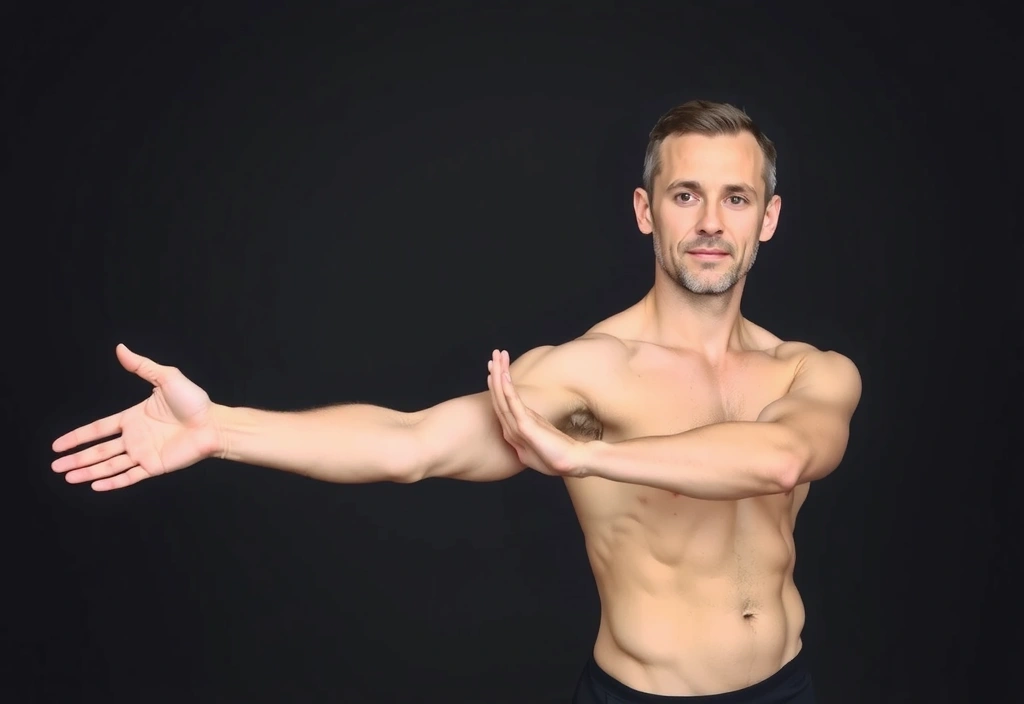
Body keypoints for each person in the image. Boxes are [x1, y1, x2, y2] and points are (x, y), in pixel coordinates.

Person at [51, 100, 862, 703]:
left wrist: (588, 457)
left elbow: (783, 458)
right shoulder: (586, 374)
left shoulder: (809, 373)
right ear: (646, 211)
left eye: (736, 198)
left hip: (787, 686)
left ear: (768, 218)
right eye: (686, 195)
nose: (712, 221)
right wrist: (221, 428)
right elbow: (412, 444)